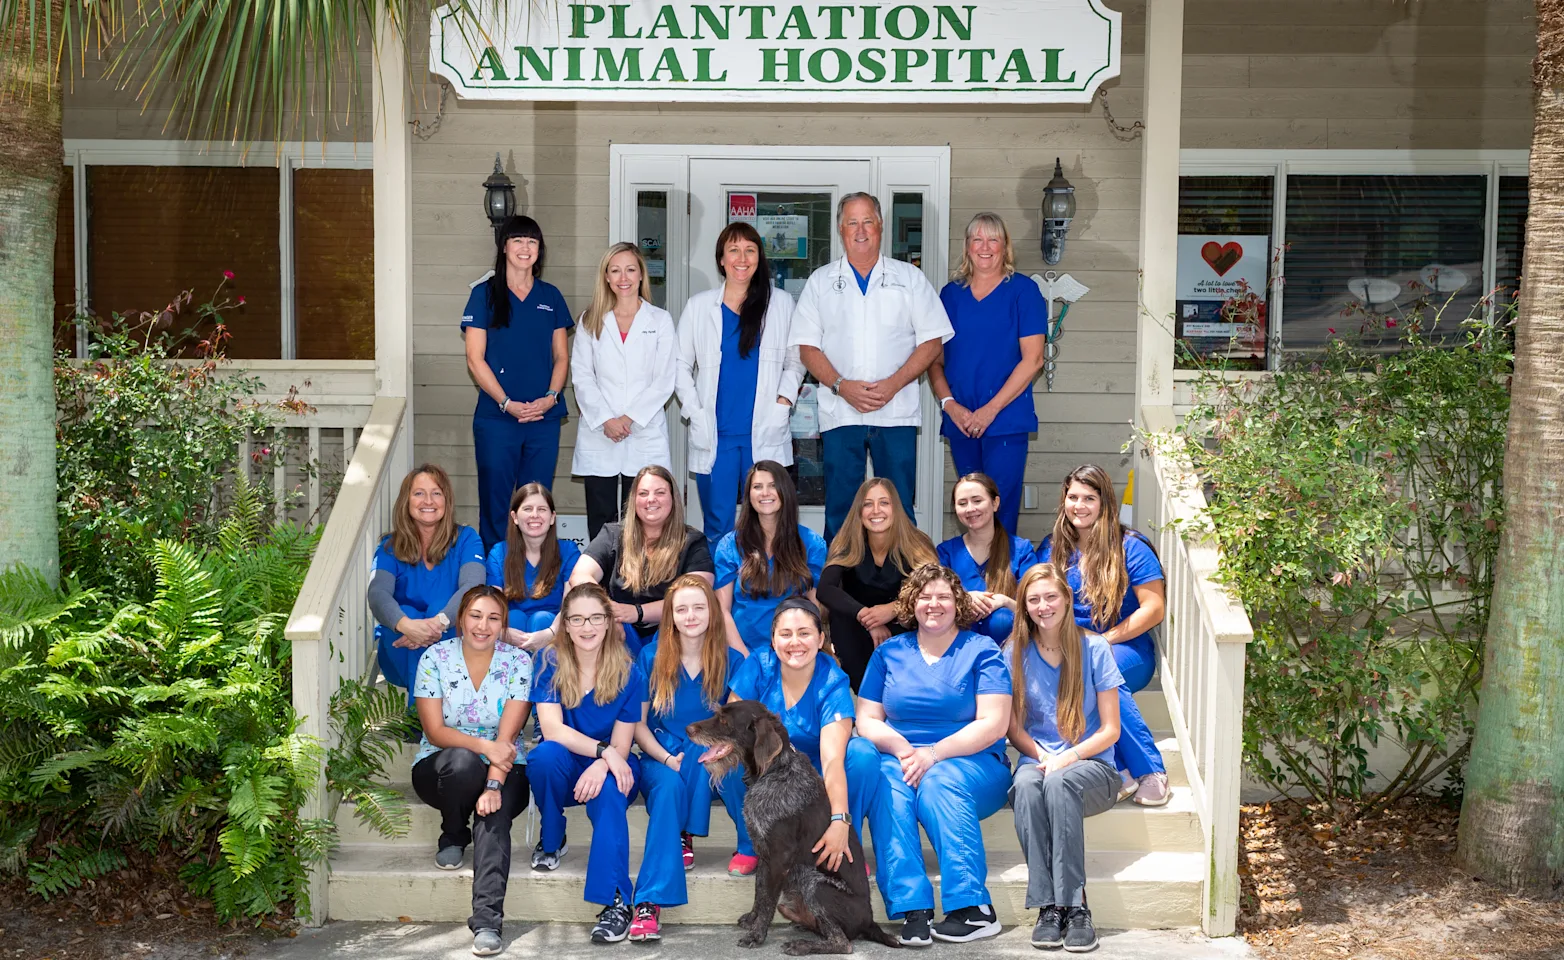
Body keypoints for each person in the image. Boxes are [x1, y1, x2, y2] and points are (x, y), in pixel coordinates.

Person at [856, 563, 1012, 947]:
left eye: (943, 596)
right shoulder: (889, 652)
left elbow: (994, 723)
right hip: (904, 758)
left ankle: (973, 909)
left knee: (940, 782)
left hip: (973, 764)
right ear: (912, 603)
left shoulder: (981, 650)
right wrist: (902, 748)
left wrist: (933, 754)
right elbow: (867, 718)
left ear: (957, 603)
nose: (934, 604)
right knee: (887, 782)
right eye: (925, 597)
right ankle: (913, 908)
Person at [789, 192, 953, 541]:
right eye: (852, 222)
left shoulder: (908, 278)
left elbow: (932, 342)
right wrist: (840, 386)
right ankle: (833, 590)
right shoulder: (821, 281)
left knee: (899, 507)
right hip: (841, 412)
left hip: (894, 412)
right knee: (841, 508)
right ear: (840, 229)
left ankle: (907, 589)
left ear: (880, 226)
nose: (860, 230)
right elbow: (807, 346)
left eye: (867, 221)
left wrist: (893, 384)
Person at [1006, 563, 1125, 953]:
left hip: (1095, 769)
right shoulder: (1014, 652)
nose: (1043, 606)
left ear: (1067, 599)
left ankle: (1075, 905)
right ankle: (1048, 906)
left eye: (1051, 597)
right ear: (1024, 606)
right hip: (1039, 763)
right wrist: (1043, 755)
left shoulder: (1095, 648)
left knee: (1058, 781)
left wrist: (1068, 756)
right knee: (1024, 784)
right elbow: (1012, 727)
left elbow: (1111, 730)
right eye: (1034, 599)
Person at [1039, 464, 1170, 807]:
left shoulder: (1131, 546)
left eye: (1089, 498)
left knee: (1097, 669)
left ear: (1104, 503)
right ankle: (1118, 769)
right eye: (1072, 497)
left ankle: (1148, 770)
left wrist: (1103, 641)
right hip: (1068, 650)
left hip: (1124, 648)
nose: (1079, 505)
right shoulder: (1053, 548)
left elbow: (1153, 608)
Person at [411, 584, 532, 957]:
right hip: (442, 765)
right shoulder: (434, 658)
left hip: (506, 762)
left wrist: (494, 784)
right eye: (476, 615)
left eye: (494, 618)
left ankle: (487, 924)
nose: (483, 625)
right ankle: (452, 832)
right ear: (461, 619)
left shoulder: (518, 662)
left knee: (494, 818)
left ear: (503, 625)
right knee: (463, 764)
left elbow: (507, 737)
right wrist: (483, 747)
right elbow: (435, 731)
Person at [726, 597, 881, 879]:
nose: (794, 642)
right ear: (773, 640)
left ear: (821, 638)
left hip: (816, 774)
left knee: (862, 755)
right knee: (731, 752)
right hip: (768, 771)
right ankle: (750, 844)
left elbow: (833, 759)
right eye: (785, 634)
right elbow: (732, 726)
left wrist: (839, 821)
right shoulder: (757, 666)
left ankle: (845, 842)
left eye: (804, 633)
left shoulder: (833, 680)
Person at [528, 583, 647, 944]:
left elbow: (623, 745)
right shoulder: (548, 662)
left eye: (596, 617)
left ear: (610, 622)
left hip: (614, 764)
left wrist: (606, 759)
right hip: (568, 762)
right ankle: (553, 836)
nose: (586, 626)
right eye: (576, 618)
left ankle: (616, 900)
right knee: (544, 756)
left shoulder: (630, 673)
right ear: (564, 625)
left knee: (611, 790)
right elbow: (551, 730)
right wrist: (602, 751)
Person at [630, 575, 747, 938]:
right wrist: (665, 758)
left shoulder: (733, 659)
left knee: (706, 752)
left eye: (699, 607)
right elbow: (637, 726)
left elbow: (738, 725)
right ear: (670, 615)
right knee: (666, 788)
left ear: (712, 612)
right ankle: (649, 902)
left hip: (711, 753)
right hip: (658, 752)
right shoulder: (650, 655)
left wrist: (713, 748)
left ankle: (689, 833)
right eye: (681, 609)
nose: (691, 615)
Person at [676, 222, 806, 546]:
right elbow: (678, 365)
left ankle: (766, 594)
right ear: (721, 258)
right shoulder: (699, 307)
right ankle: (719, 594)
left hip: (762, 432)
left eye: (750, 250)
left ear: (759, 257)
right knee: (718, 525)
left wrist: (783, 403)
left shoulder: (780, 304)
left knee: (768, 523)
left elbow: (797, 360)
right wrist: (694, 410)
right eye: (733, 250)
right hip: (715, 434)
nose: (742, 258)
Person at [928, 213, 1046, 536]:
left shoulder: (1023, 292)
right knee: (970, 507)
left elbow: (1033, 360)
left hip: (1005, 420)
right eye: (977, 239)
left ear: (1004, 246)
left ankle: (999, 581)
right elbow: (933, 361)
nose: (985, 247)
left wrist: (989, 411)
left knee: (1000, 507)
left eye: (993, 239)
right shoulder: (949, 296)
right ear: (967, 247)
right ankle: (972, 583)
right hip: (961, 421)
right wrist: (951, 406)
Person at [462, 215, 573, 551]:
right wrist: (506, 403)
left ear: (540, 250)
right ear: (504, 246)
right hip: (498, 419)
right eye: (518, 240)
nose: (525, 248)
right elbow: (474, 359)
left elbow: (562, 357)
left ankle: (535, 576)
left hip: (542, 419)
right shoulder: (484, 295)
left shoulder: (550, 296)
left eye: (532, 241)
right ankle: (494, 580)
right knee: (496, 502)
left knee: (537, 504)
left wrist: (551, 397)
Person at [571, 242, 678, 540]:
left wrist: (629, 419)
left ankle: (640, 584)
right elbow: (581, 376)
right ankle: (602, 584)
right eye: (615, 270)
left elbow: (664, 379)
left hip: (643, 432)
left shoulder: (660, 321)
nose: (623, 278)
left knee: (644, 520)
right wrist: (607, 419)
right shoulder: (590, 319)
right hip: (600, 432)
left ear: (642, 274)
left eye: (630, 269)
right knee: (602, 522)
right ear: (605, 277)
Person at [568, 464, 715, 655]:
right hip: (619, 628)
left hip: (670, 631)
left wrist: (636, 612)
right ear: (634, 500)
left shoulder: (692, 541)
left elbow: (699, 596)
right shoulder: (612, 534)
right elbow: (579, 575)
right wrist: (608, 611)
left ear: (673, 499)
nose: (651, 499)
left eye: (660, 492)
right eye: (643, 493)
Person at [368, 464, 486, 701]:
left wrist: (438, 623)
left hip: (451, 646)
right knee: (408, 612)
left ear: (447, 500)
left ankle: (418, 716)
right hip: (399, 649)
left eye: (436, 493)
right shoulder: (390, 546)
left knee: (439, 607)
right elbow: (378, 592)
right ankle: (429, 717)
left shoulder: (466, 539)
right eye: (419, 493)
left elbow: (473, 587)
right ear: (406, 501)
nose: (428, 501)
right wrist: (407, 625)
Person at [815, 478, 937, 691]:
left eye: (884, 503)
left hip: (902, 627)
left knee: (919, 616)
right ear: (859, 511)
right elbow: (825, 590)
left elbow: (934, 588)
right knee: (841, 616)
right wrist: (867, 617)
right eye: (868, 504)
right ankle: (862, 697)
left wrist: (893, 609)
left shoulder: (916, 543)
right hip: (857, 629)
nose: (876, 510)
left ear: (895, 508)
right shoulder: (847, 542)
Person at [713, 461, 827, 653]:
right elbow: (722, 611)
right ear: (749, 495)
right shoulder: (730, 544)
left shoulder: (811, 543)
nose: (765, 493)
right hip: (741, 653)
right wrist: (746, 660)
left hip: (793, 652)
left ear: (785, 491)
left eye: (773, 486)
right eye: (757, 487)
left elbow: (816, 608)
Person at [936, 473, 1038, 645]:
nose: (970, 509)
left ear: (995, 503)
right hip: (957, 660)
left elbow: (1036, 606)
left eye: (977, 500)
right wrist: (964, 599)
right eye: (962, 503)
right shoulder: (946, 553)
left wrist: (1004, 601)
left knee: (1002, 618)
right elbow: (934, 604)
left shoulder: (1021, 551)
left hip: (1010, 662)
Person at [485, 483, 581, 651]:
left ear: (552, 517)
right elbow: (492, 606)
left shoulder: (568, 551)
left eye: (542, 509)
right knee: (514, 617)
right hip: (511, 631)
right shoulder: (499, 553)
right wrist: (502, 631)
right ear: (514, 517)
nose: (535, 515)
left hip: (554, 629)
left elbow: (572, 603)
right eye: (527, 509)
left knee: (542, 619)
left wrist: (550, 632)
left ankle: (542, 677)